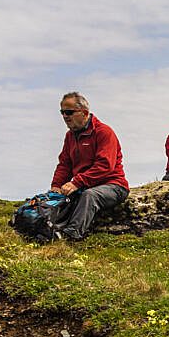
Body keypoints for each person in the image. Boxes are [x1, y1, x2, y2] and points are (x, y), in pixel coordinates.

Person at [50, 92, 129, 241]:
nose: (65, 117)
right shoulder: (70, 136)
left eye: (69, 112)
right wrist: (56, 185)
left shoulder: (104, 132)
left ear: (84, 112)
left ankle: (71, 235)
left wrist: (77, 182)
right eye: (62, 113)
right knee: (57, 198)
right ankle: (48, 230)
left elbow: (105, 165)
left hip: (114, 185)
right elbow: (65, 164)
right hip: (85, 185)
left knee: (89, 196)